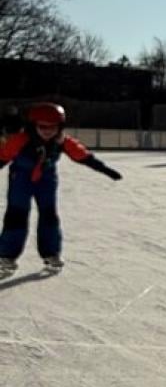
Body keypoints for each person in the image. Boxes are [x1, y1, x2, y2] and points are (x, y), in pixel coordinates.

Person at [0, 103, 122, 274]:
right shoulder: (21, 139)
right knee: (17, 215)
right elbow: (3, 155)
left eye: (53, 127)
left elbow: (81, 154)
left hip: (46, 180)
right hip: (21, 179)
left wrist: (103, 169)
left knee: (49, 216)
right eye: (42, 126)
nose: (48, 131)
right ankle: (6, 256)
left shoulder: (61, 141)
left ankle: (51, 254)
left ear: (60, 127)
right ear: (33, 125)